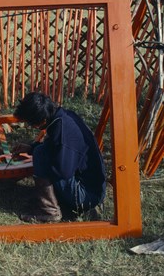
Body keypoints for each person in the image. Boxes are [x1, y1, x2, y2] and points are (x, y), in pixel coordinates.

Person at [12, 92, 106, 222]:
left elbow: (63, 171)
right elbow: (54, 147)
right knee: (41, 150)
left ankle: (49, 211)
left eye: (31, 123)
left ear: (42, 121)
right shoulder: (62, 117)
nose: (31, 126)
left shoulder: (62, 131)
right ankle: (54, 202)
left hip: (86, 196)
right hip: (94, 189)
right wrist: (31, 148)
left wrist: (40, 166)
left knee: (41, 154)